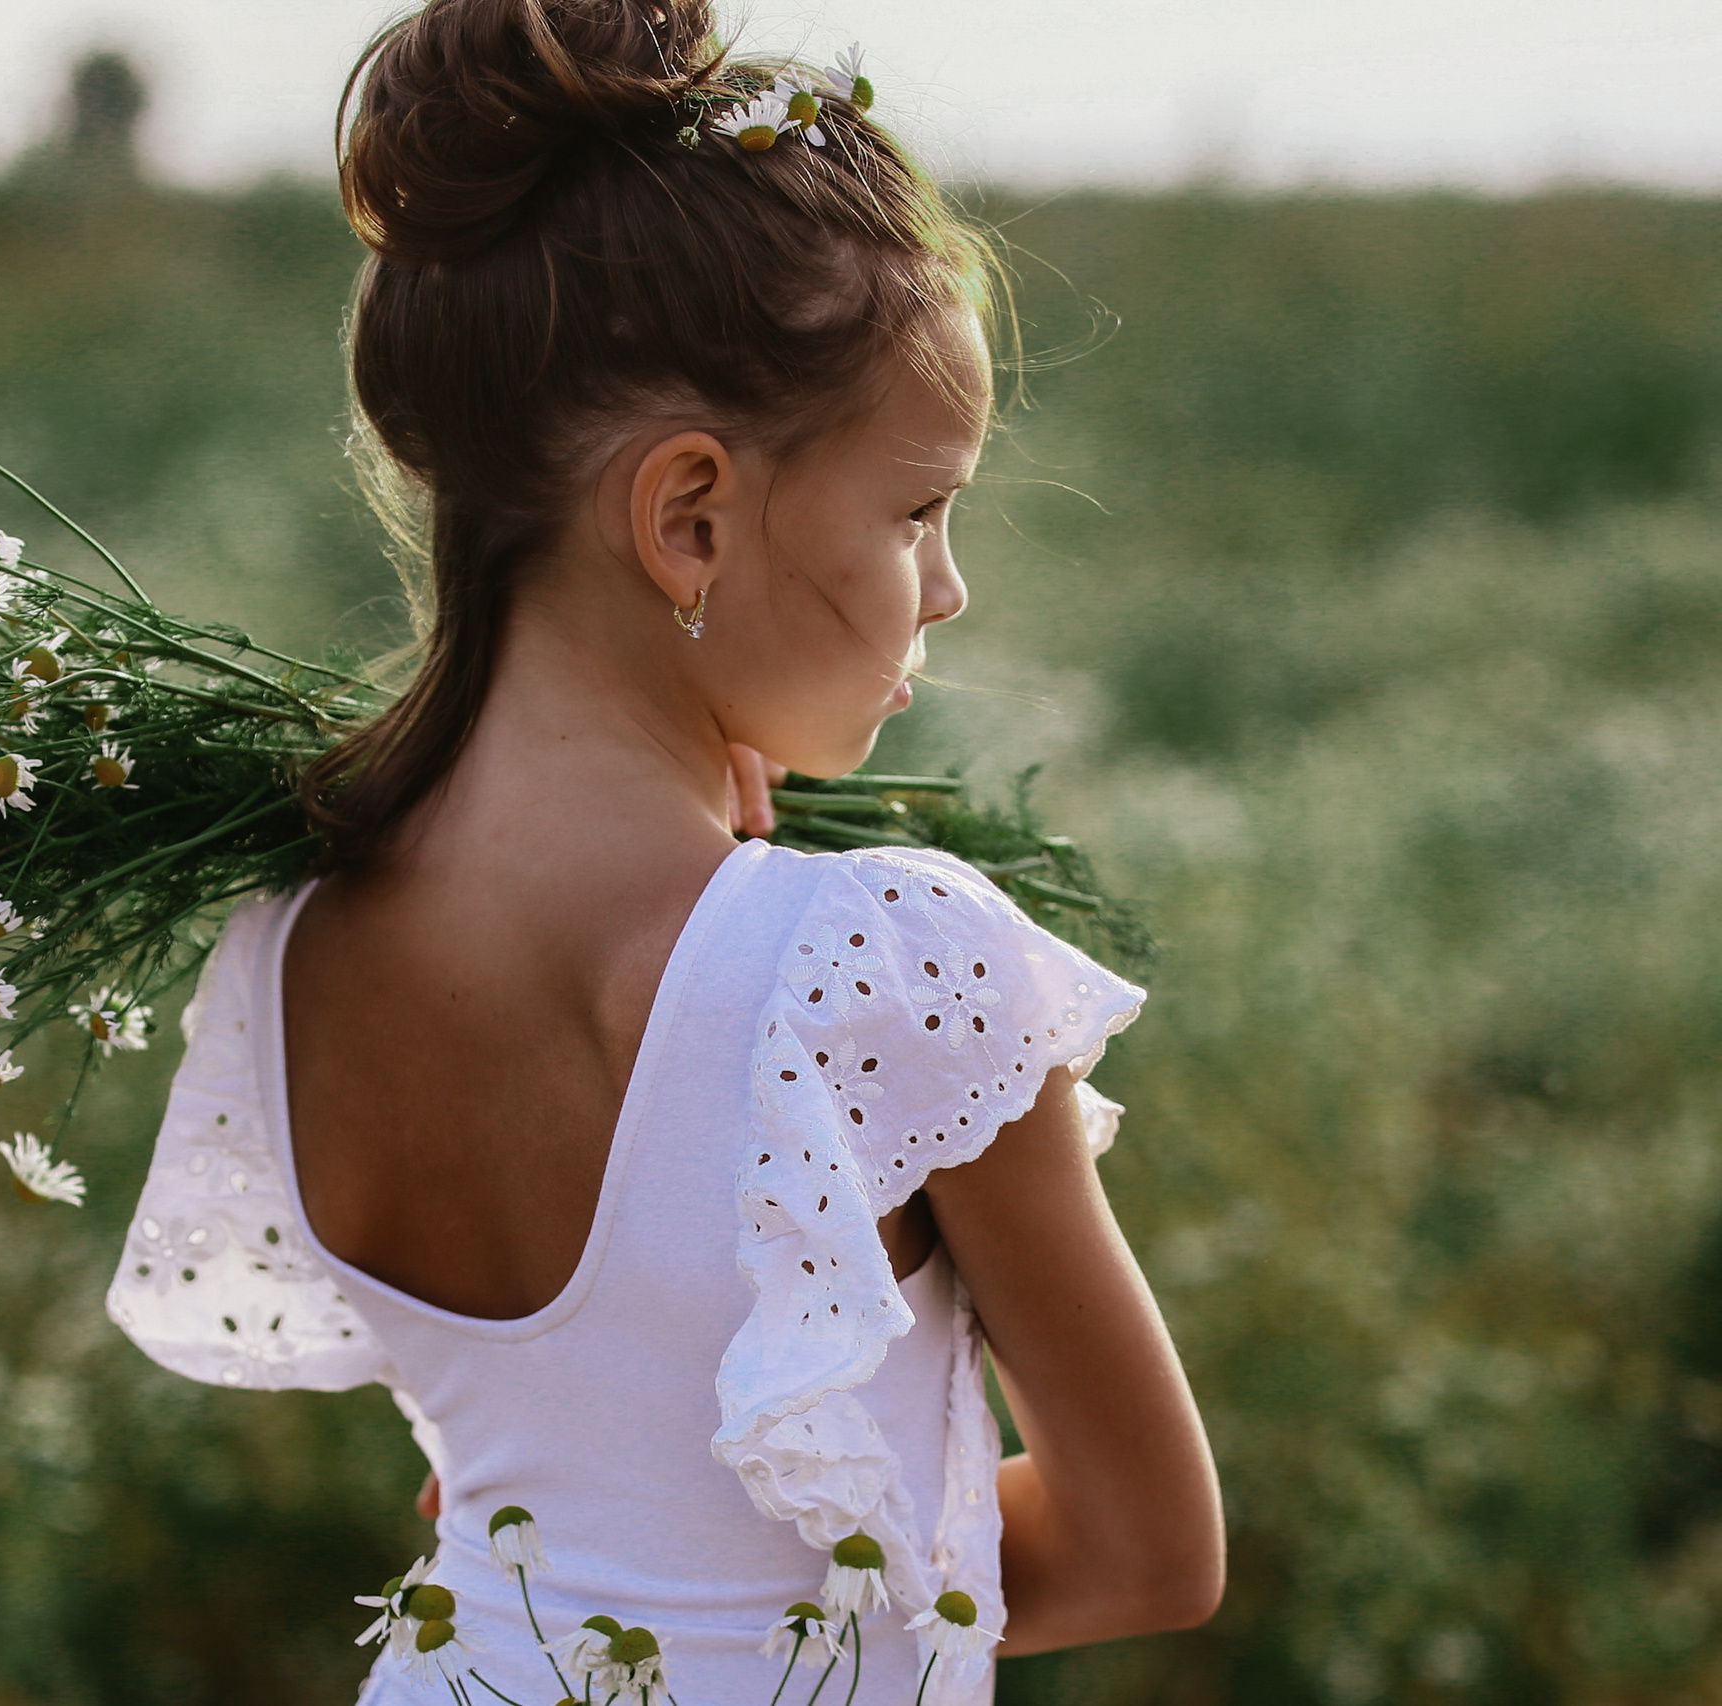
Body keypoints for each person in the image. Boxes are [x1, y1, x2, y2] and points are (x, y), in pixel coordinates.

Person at [105, 1, 1225, 1699]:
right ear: (688, 516)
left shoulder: (287, 940)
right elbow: (1146, 1551)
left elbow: (524, 1476)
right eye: (917, 508)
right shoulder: (893, 964)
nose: (946, 584)